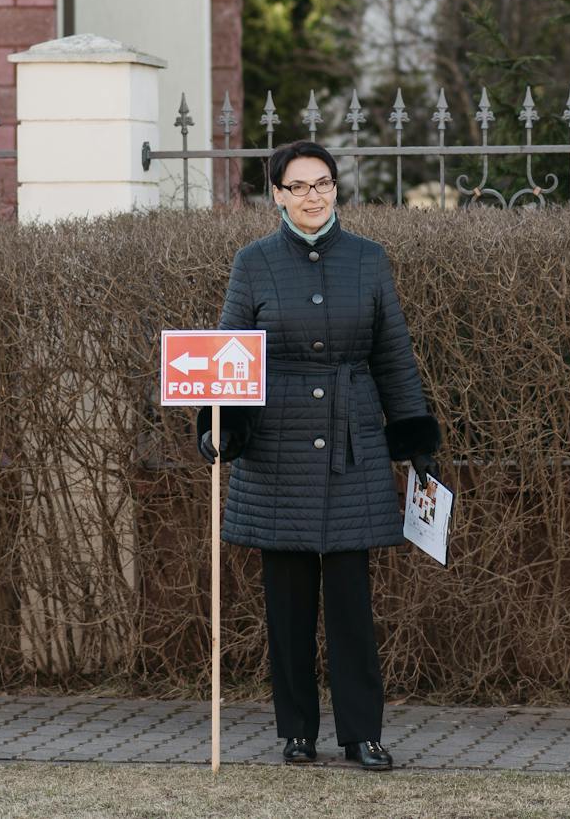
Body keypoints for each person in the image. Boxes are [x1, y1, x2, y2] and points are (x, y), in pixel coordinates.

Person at [196, 139, 441, 771]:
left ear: (336, 187)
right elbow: (233, 353)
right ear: (275, 194)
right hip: (277, 447)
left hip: (352, 442)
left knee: (353, 607)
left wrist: (414, 441)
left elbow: (393, 355)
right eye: (299, 186)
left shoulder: (369, 259)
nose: (313, 196)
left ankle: (362, 733)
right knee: (288, 604)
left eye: (323, 183)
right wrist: (220, 428)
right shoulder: (252, 263)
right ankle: (296, 731)